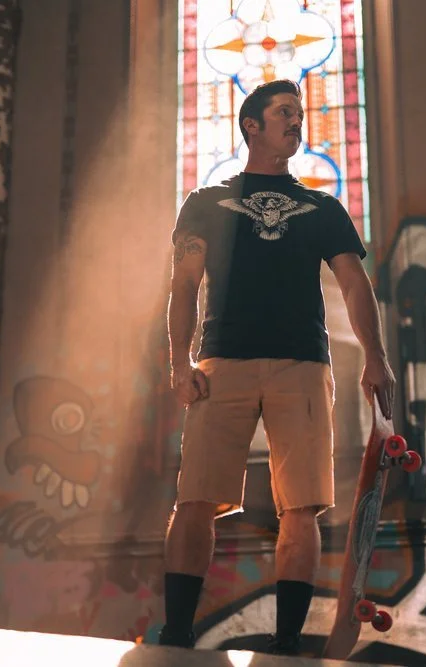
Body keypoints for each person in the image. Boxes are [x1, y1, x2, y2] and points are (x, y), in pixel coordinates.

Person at [159, 79, 395, 656]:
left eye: (299, 114)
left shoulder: (321, 207)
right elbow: (184, 285)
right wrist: (178, 361)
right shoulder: (205, 203)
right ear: (252, 126)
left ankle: (288, 641)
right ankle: (176, 634)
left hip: (302, 366)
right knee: (195, 500)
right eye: (284, 113)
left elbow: (354, 284)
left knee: (302, 505)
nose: (296, 122)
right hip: (222, 362)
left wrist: (376, 358)